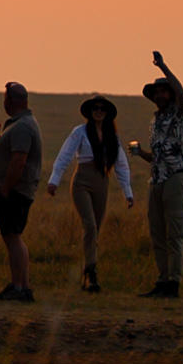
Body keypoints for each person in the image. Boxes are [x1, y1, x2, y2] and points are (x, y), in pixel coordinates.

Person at [44, 95, 135, 293]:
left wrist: (127, 192)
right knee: (90, 225)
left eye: (102, 109)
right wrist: (54, 180)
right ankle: (91, 272)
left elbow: (121, 165)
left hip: (102, 182)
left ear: (107, 113)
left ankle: (89, 271)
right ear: (90, 112)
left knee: (95, 231)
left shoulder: (113, 137)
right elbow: (65, 155)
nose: (99, 111)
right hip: (82, 181)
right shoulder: (80, 132)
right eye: (95, 108)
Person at [129, 49, 183, 297]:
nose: (161, 95)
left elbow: (181, 92)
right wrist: (141, 154)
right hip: (157, 179)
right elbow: (157, 157)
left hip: (176, 176)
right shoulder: (155, 121)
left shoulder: (180, 113)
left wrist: (163, 68)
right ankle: (163, 281)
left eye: (164, 91)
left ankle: (173, 284)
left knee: (174, 233)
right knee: (157, 233)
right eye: (157, 93)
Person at [0, 81, 42, 302]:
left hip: (15, 190)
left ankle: (18, 287)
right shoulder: (21, 124)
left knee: (12, 237)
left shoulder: (22, 127)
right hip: (18, 189)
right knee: (14, 237)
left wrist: (6, 188)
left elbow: (19, 160)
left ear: (12, 101)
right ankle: (22, 285)